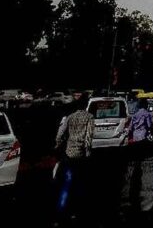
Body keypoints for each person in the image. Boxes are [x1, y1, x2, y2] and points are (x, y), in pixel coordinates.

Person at [54, 93, 93, 223]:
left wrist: (59, 145)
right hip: (81, 155)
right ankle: (78, 211)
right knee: (80, 183)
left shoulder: (70, 117)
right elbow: (88, 138)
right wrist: (88, 153)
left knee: (66, 183)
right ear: (86, 105)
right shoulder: (89, 117)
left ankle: (60, 211)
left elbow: (59, 135)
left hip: (69, 153)